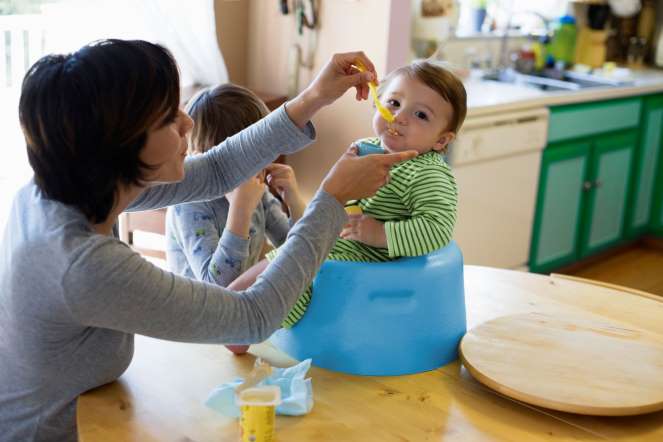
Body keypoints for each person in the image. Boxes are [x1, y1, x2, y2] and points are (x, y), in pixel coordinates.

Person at [0, 39, 417, 441]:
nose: (188, 122)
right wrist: (332, 199)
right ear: (120, 144)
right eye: (168, 118)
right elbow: (253, 316)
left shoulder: (63, 185)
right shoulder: (83, 265)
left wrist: (314, 97)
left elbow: (217, 170)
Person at [244, 60, 467, 328]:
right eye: (394, 103)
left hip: (373, 261)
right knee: (279, 261)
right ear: (378, 101)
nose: (400, 117)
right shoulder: (363, 148)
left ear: (441, 140)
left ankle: (248, 323)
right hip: (340, 245)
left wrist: (378, 234)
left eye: (421, 115)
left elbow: (437, 229)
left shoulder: (429, 175)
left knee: (285, 272)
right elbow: (334, 195)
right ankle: (237, 312)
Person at [166, 84, 305, 354]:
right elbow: (216, 288)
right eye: (257, 153)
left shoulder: (257, 191)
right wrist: (240, 209)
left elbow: (296, 249)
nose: (266, 160)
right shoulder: (191, 202)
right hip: (195, 332)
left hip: (240, 322)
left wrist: (295, 200)